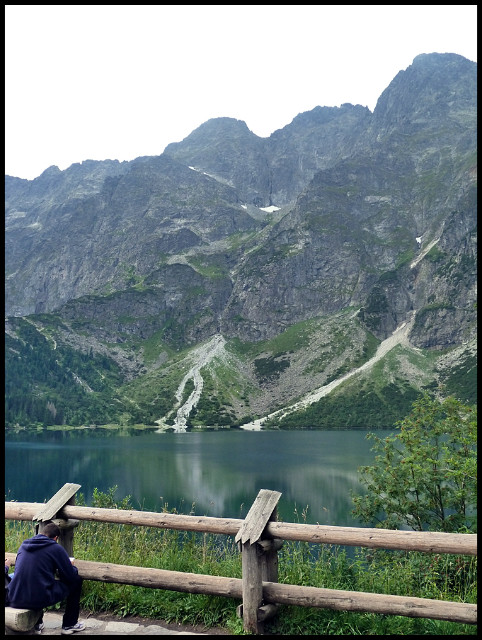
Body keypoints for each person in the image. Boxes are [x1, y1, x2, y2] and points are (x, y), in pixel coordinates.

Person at [5, 522, 85, 635]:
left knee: (35, 579)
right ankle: (69, 624)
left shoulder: (24, 545)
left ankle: (38, 624)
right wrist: (72, 567)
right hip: (38, 599)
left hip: (14, 597)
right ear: (56, 538)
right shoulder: (55, 548)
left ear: (41, 533)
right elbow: (70, 576)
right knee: (76, 581)